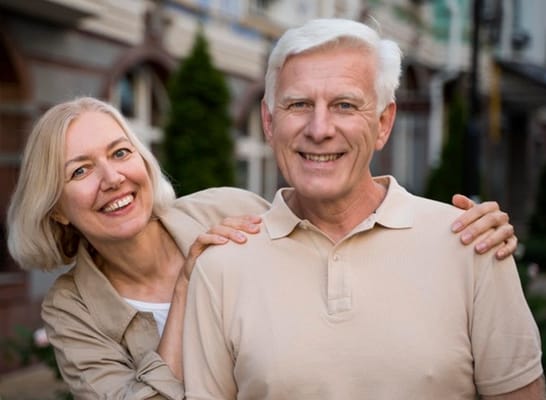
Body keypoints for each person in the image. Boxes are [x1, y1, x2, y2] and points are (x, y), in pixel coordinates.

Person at [4, 101, 517, 398]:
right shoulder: (71, 310)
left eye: (120, 153)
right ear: (57, 209)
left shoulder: (228, 207)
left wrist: (454, 232)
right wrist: (188, 289)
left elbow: (334, 235)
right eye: (80, 170)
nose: (112, 178)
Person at [182, 19, 544, 399]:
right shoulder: (221, 267)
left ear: (383, 123)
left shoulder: (471, 243)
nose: (319, 129)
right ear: (269, 122)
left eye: (344, 105)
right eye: (299, 104)